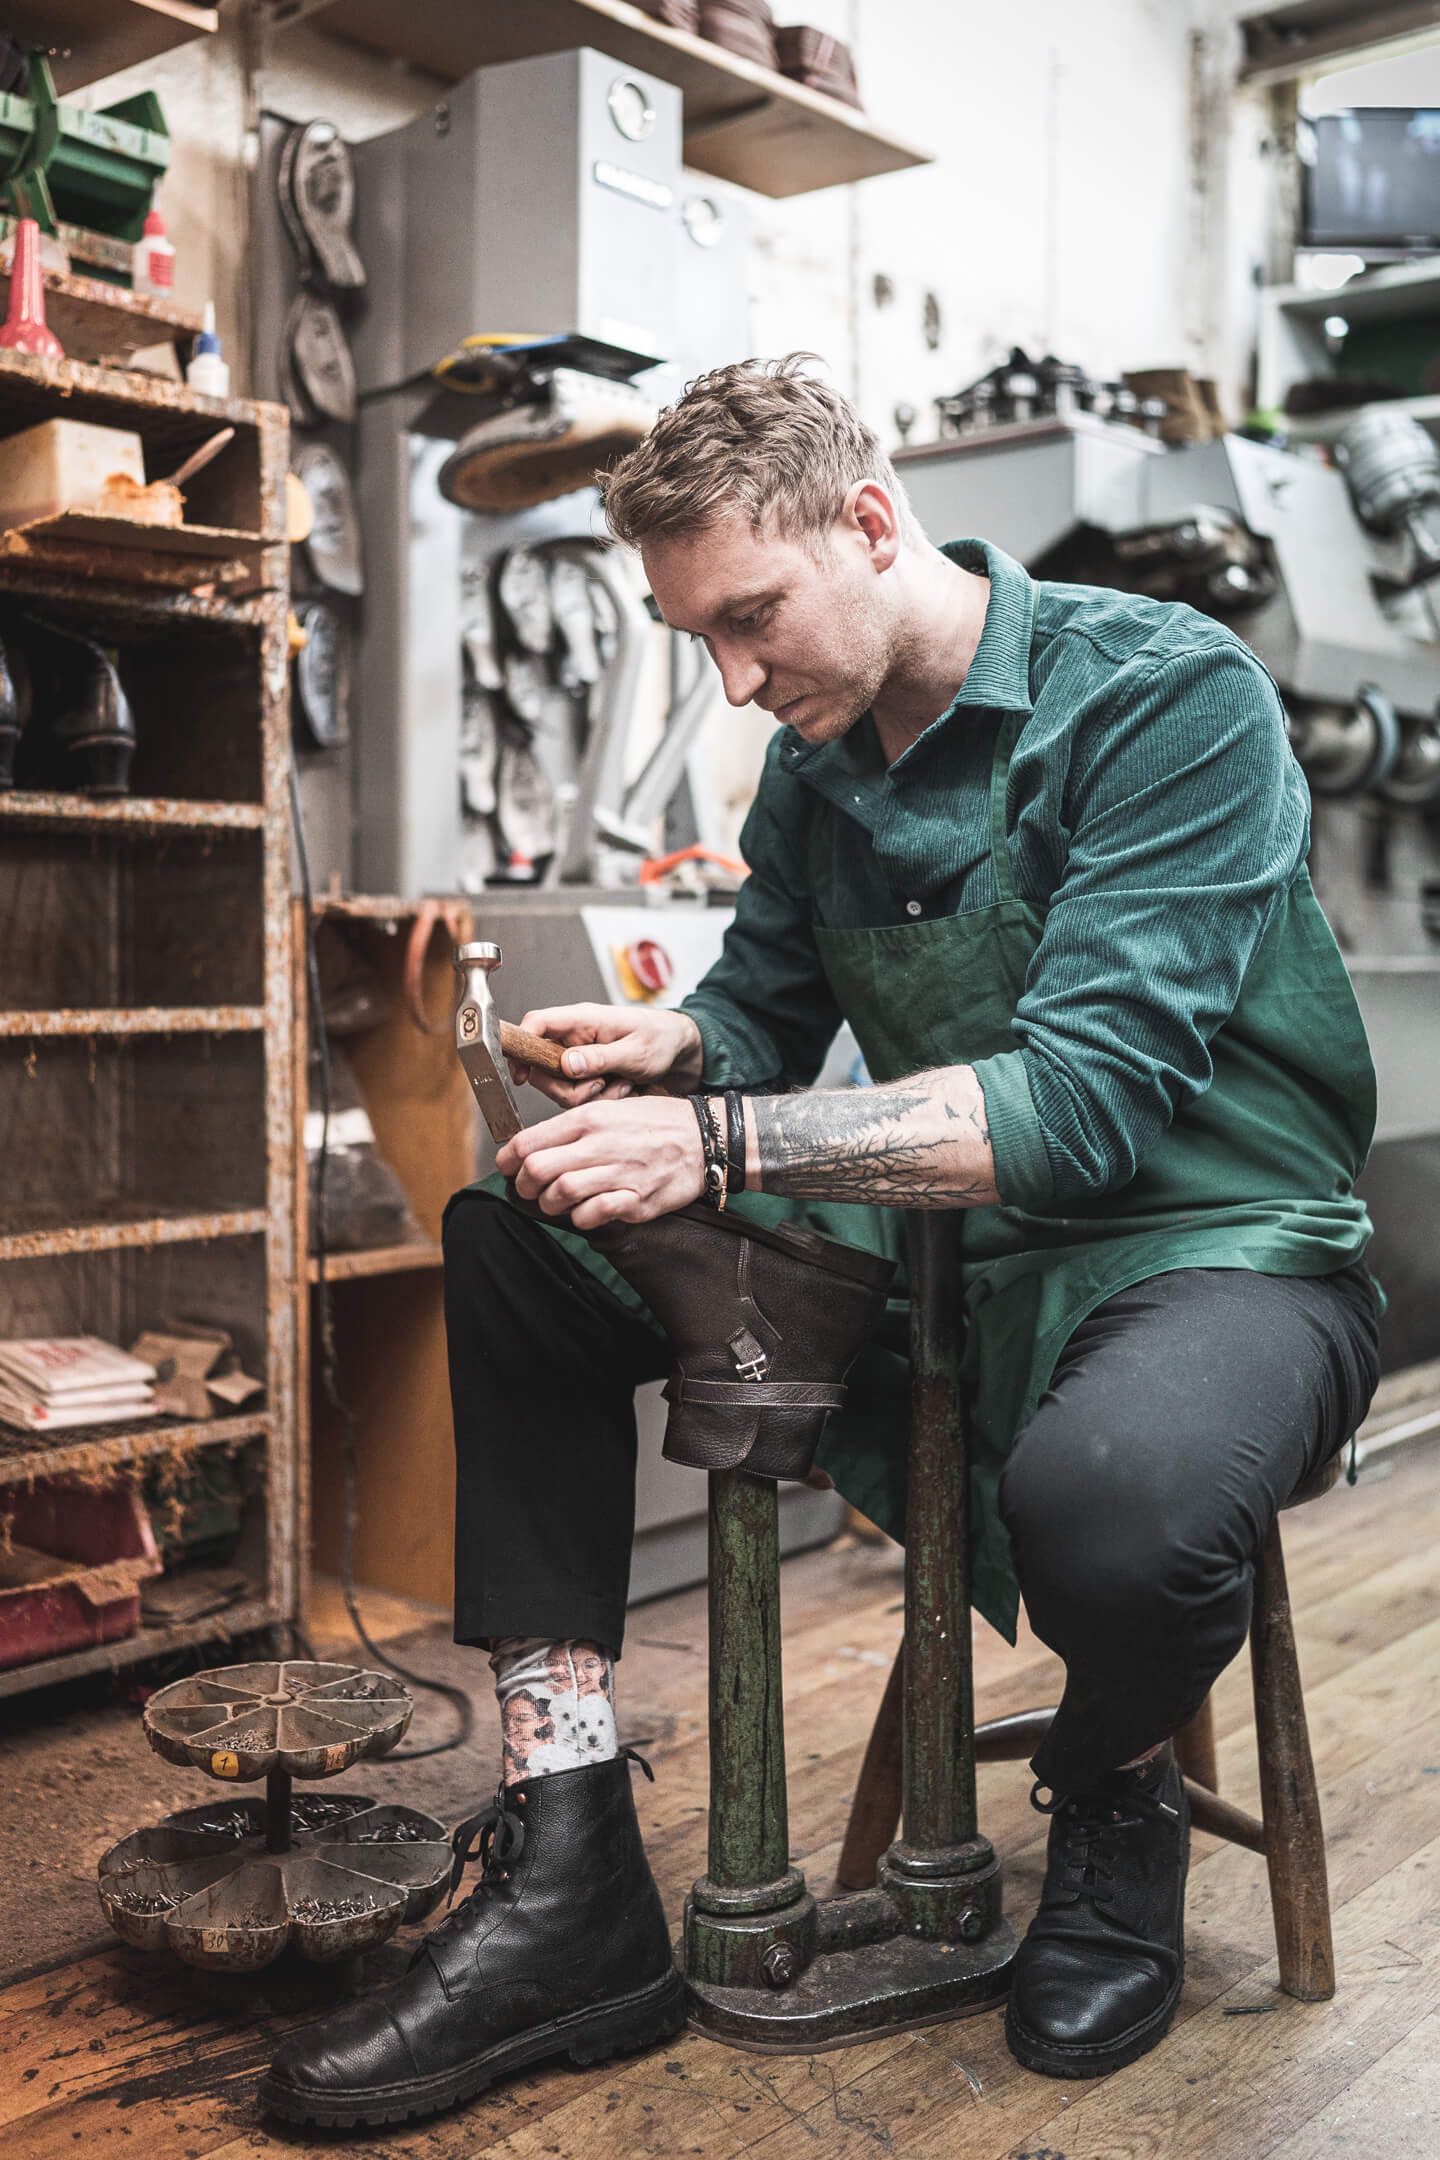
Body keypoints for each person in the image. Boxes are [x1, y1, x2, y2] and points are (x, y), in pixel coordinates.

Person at [263, 357, 1380, 2127]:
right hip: (947, 1244)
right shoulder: (814, 760)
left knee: (1118, 1501)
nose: (732, 678)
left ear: (871, 525)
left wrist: (714, 1132)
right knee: (518, 1231)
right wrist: (683, 1049)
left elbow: (1080, 1115)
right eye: (694, 636)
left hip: (1214, 1236)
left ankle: (1112, 1794)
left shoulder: (1166, 695)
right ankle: (571, 1868)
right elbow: (766, 1009)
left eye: (752, 619)